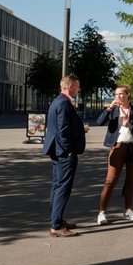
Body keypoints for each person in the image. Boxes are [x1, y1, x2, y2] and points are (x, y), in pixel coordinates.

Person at [96, 85, 133, 225]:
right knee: (111, 180)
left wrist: (131, 126)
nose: (118, 97)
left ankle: (128, 210)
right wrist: (110, 107)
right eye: (116, 94)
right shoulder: (113, 110)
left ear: (128, 95)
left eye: (121, 94)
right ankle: (102, 212)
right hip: (117, 146)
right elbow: (99, 122)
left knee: (131, 180)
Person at [44, 75, 86, 237]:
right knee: (62, 188)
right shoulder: (63, 103)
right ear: (70, 86)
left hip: (57, 151)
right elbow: (62, 130)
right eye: (77, 86)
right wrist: (69, 150)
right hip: (63, 152)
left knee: (57, 186)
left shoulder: (58, 101)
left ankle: (56, 220)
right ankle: (56, 226)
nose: (79, 89)